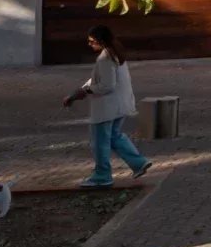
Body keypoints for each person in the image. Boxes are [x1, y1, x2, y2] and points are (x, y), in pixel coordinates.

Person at [62, 25, 152, 186]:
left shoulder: (105, 58)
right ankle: (138, 163)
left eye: (92, 41)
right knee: (114, 137)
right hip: (119, 105)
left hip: (107, 108)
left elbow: (106, 85)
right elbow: (101, 79)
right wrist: (81, 90)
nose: (89, 44)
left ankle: (102, 175)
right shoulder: (116, 54)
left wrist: (87, 91)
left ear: (100, 40)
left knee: (100, 142)